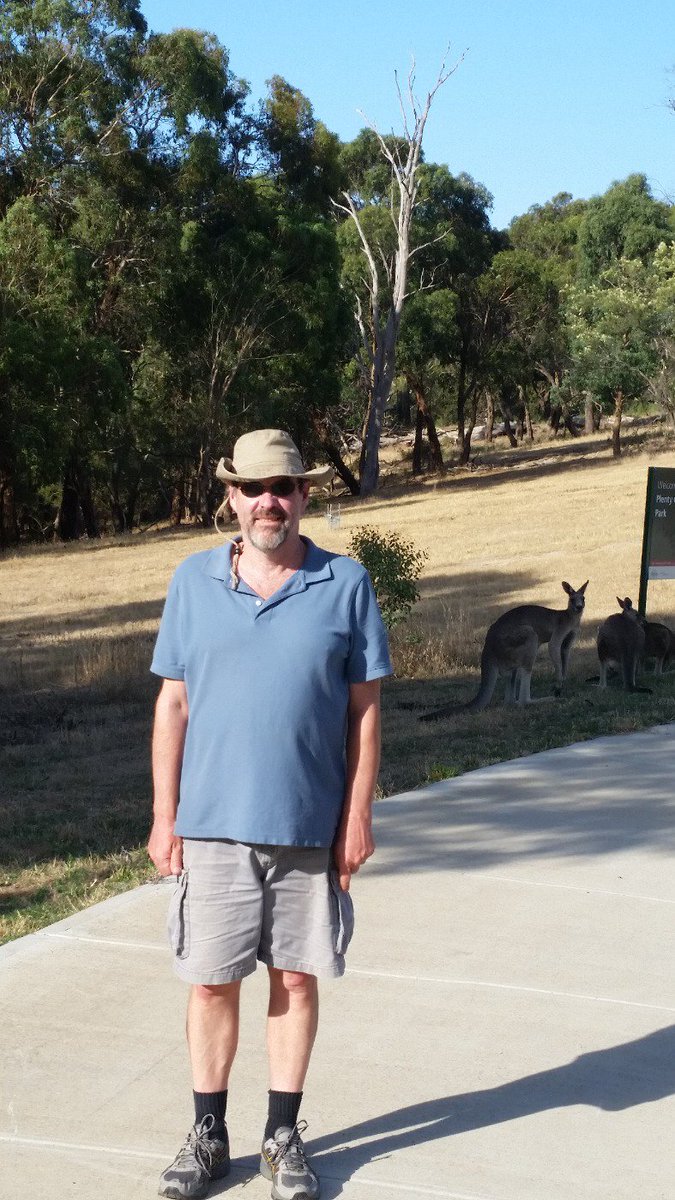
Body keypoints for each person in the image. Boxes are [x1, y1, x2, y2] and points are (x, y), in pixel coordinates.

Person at [148, 429, 392, 1200]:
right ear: (229, 495)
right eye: (252, 488)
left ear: (304, 495)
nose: (267, 502)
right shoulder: (191, 582)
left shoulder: (344, 583)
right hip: (211, 824)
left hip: (307, 824)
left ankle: (283, 1136)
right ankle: (208, 1136)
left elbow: (364, 711)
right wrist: (164, 815)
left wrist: (356, 814)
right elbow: (173, 705)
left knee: (294, 977)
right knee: (212, 982)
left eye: (282, 487)